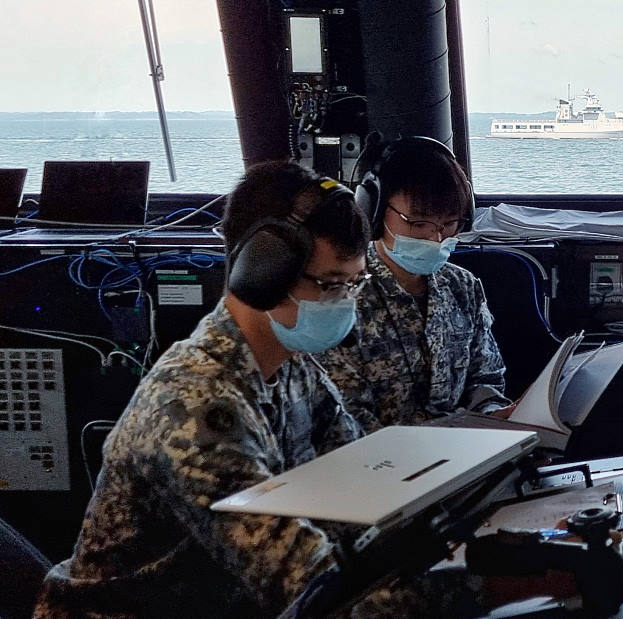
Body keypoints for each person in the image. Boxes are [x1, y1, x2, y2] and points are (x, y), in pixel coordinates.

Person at [33, 161, 378, 617]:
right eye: (332, 285)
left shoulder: (293, 371)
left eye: (355, 284)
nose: (347, 303)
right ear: (263, 272)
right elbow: (302, 581)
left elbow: (362, 481)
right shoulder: (193, 402)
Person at [317, 134, 512, 432]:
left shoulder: (463, 287)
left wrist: (494, 416)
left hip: (466, 453)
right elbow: (344, 417)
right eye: (419, 223)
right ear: (375, 210)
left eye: (449, 224)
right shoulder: (341, 293)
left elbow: (485, 379)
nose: (436, 238)